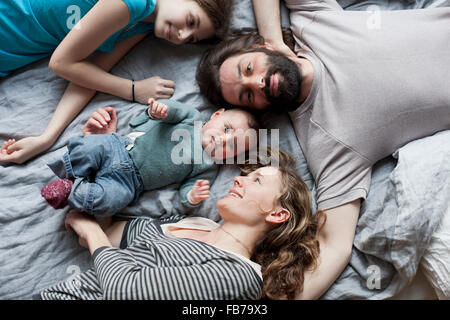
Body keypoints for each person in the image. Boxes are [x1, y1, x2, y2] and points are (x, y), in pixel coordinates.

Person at [195, 0, 450, 298]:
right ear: (257, 111)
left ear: (260, 47)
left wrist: (274, 38)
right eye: (248, 95)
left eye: (249, 67)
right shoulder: (327, 145)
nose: (259, 81)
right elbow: (333, 246)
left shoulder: (314, 22)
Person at [39, 149, 325, 300]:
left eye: (257, 180)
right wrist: (101, 164)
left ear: (277, 214)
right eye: (245, 175)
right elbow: (108, 237)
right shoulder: (191, 221)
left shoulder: (241, 276)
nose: (239, 179)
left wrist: (89, 230)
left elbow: (123, 290)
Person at [0, 0, 232, 164]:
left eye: (191, 39)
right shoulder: (132, 3)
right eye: (191, 21)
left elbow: (91, 73)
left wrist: (47, 137)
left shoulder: (143, 23)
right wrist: (132, 90)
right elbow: (61, 64)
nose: (182, 36)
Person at [41, 98, 259, 217]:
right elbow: (172, 110)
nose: (222, 140)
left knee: (109, 202)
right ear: (216, 115)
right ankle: (70, 171)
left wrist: (192, 196)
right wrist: (160, 110)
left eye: (232, 145)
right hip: (121, 148)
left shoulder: (209, 167)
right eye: (227, 128)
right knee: (91, 148)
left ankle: (70, 190)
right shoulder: (191, 118)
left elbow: (186, 192)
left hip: (130, 183)